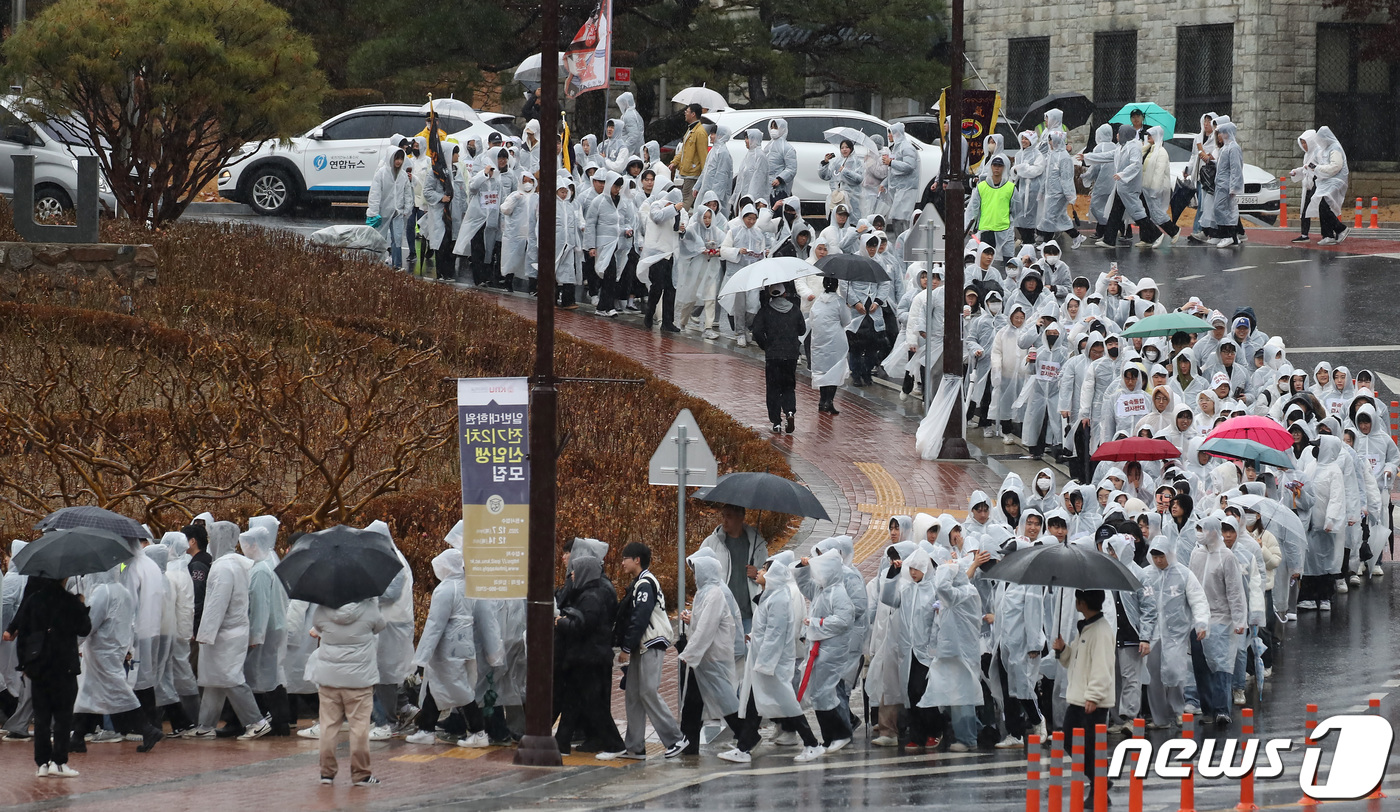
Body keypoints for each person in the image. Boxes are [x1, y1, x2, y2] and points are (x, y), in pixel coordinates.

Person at [724, 551, 824, 763]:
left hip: (772, 664)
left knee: (787, 704)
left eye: (764, 569)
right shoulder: (771, 596)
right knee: (755, 704)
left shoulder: (778, 599)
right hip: (764, 661)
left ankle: (812, 743)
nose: (760, 572)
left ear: (774, 575)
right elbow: (765, 630)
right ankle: (744, 748)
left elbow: (775, 634)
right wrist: (753, 639)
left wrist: (765, 663)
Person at [601, 542, 687, 760]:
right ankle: (635, 746)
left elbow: (640, 617)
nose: (622, 563)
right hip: (642, 645)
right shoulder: (640, 582)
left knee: (648, 691)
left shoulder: (646, 584)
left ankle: (676, 738)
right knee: (633, 695)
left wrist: (626, 648)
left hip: (650, 644)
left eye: (625, 558)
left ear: (636, 559)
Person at [407, 548, 500, 747]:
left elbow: (434, 625)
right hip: (464, 644)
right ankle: (426, 728)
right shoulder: (468, 587)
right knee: (439, 685)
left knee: (457, 687)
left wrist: (421, 657)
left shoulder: (445, 590)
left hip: (447, 647)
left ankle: (478, 731)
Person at [189, 521, 268, 740]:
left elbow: (217, 603)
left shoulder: (223, 567)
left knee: (230, 678)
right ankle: (206, 725)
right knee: (215, 680)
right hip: (230, 631)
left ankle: (256, 721)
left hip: (223, 634)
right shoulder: (237, 564)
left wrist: (204, 633)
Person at [72, 565, 165, 752]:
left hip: (102, 651)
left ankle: (147, 729)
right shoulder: (122, 591)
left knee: (119, 692)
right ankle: (78, 736)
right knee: (87, 693)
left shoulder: (102, 592)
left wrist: (73, 640)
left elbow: (89, 624)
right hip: (115, 648)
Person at [4, 575, 90, 777]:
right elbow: (84, 628)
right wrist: (82, 606)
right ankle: (59, 762)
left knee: (41, 717)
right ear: (64, 577)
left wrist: (24, 663)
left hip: (39, 666)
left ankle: (42, 763)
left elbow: (22, 632)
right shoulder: (70, 601)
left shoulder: (34, 600)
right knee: (62, 716)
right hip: (64, 665)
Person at [554, 552, 626, 755]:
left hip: (589, 658)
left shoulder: (592, 597)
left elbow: (583, 626)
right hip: (584, 657)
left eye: (576, 571)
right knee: (572, 701)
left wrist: (561, 622)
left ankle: (615, 745)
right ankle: (561, 744)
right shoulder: (589, 594)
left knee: (593, 704)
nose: (573, 575)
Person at [311, 597, 385, 787]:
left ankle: (326, 773)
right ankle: (361, 774)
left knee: (328, 726)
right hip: (359, 680)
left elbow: (317, 627)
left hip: (329, 678)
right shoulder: (370, 609)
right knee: (359, 727)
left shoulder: (322, 608)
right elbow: (380, 627)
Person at [677, 552, 744, 756]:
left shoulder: (715, 593)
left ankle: (747, 735)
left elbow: (707, 628)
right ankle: (689, 743)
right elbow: (702, 624)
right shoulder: (704, 593)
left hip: (711, 657)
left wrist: (690, 653)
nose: (695, 575)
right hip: (705, 658)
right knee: (694, 702)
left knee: (724, 700)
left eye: (697, 570)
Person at [1053, 589, 1115, 802]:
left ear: (1084, 603)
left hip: (1091, 701)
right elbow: (1077, 661)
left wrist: (1094, 696)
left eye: (1078, 599)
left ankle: (1099, 788)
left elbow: (1102, 666)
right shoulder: (1086, 628)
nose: (1076, 602)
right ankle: (1099, 781)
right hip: (1078, 698)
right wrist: (1063, 650)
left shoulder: (1101, 631)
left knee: (1089, 745)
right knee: (1072, 741)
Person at [1188, 514, 1246, 726]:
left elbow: (1235, 591)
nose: (1199, 535)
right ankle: (1208, 708)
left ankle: (1222, 709)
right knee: (1201, 666)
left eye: (1203, 530)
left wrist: (1239, 620)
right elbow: (1191, 587)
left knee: (1221, 665)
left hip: (1222, 618)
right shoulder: (1196, 554)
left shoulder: (1227, 557)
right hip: (1199, 618)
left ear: (1213, 531)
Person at [699, 504, 767, 632]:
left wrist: (756, 573)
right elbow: (698, 569)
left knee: (747, 650)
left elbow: (768, 571)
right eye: (723, 516)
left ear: (741, 517)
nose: (724, 520)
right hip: (722, 612)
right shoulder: (711, 542)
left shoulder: (756, 543)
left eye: (729, 516)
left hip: (748, 612)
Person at [751, 283, 806, 434]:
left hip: (773, 355)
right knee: (788, 385)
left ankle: (776, 422)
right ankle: (789, 412)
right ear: (784, 294)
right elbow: (802, 330)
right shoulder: (794, 310)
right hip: (791, 355)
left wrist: (766, 345)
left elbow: (756, 330)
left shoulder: (765, 311)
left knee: (773, 387)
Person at [809, 276, 851, 414]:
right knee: (835, 370)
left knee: (822, 370)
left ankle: (822, 400)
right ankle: (829, 401)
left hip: (819, 340)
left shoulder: (817, 302)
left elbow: (812, 318)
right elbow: (846, 321)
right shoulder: (839, 302)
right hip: (835, 340)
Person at [367, 145, 411, 268]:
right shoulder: (381, 174)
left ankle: (397, 265)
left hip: (398, 213)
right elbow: (375, 193)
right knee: (379, 239)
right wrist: (374, 212)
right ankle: (376, 264)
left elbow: (408, 193)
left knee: (397, 239)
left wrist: (407, 209)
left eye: (401, 159)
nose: (399, 161)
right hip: (383, 212)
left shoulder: (403, 176)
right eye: (396, 158)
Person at [965, 155, 1016, 262]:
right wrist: (971, 226)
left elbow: (1016, 208)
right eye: (994, 165)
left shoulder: (1010, 187)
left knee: (1008, 263)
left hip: (1005, 230)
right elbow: (973, 207)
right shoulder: (982, 187)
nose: (997, 168)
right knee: (986, 262)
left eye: (1000, 166)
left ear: (1005, 167)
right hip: (986, 230)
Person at [1309, 126, 1350, 245]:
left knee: (1322, 204)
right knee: (1321, 205)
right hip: (1325, 180)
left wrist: (1318, 168)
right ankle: (1328, 234)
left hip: (1335, 180)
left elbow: (1335, 167)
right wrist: (1311, 167)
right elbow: (1318, 163)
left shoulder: (1335, 149)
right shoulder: (1325, 149)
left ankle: (1339, 229)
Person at [1212, 122, 1244, 248]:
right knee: (1227, 210)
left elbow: (1236, 168)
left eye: (1222, 132)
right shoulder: (1226, 147)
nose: (1219, 135)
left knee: (1220, 208)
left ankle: (1228, 235)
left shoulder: (1233, 148)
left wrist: (1234, 186)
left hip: (1226, 184)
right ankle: (1232, 236)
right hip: (1221, 183)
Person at [671, 103, 709, 207]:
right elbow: (684, 149)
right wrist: (675, 162)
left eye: (687, 111)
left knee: (685, 199)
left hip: (693, 174)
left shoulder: (700, 132)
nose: (685, 113)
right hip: (687, 172)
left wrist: (703, 176)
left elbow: (703, 156)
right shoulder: (691, 129)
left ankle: (681, 219)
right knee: (684, 198)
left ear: (693, 114)